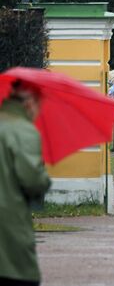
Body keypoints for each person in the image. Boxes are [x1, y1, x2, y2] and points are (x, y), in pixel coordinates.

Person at [0, 82, 51, 286]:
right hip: (8, 222)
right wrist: (44, 179)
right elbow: (32, 180)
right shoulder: (24, 131)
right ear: (29, 103)